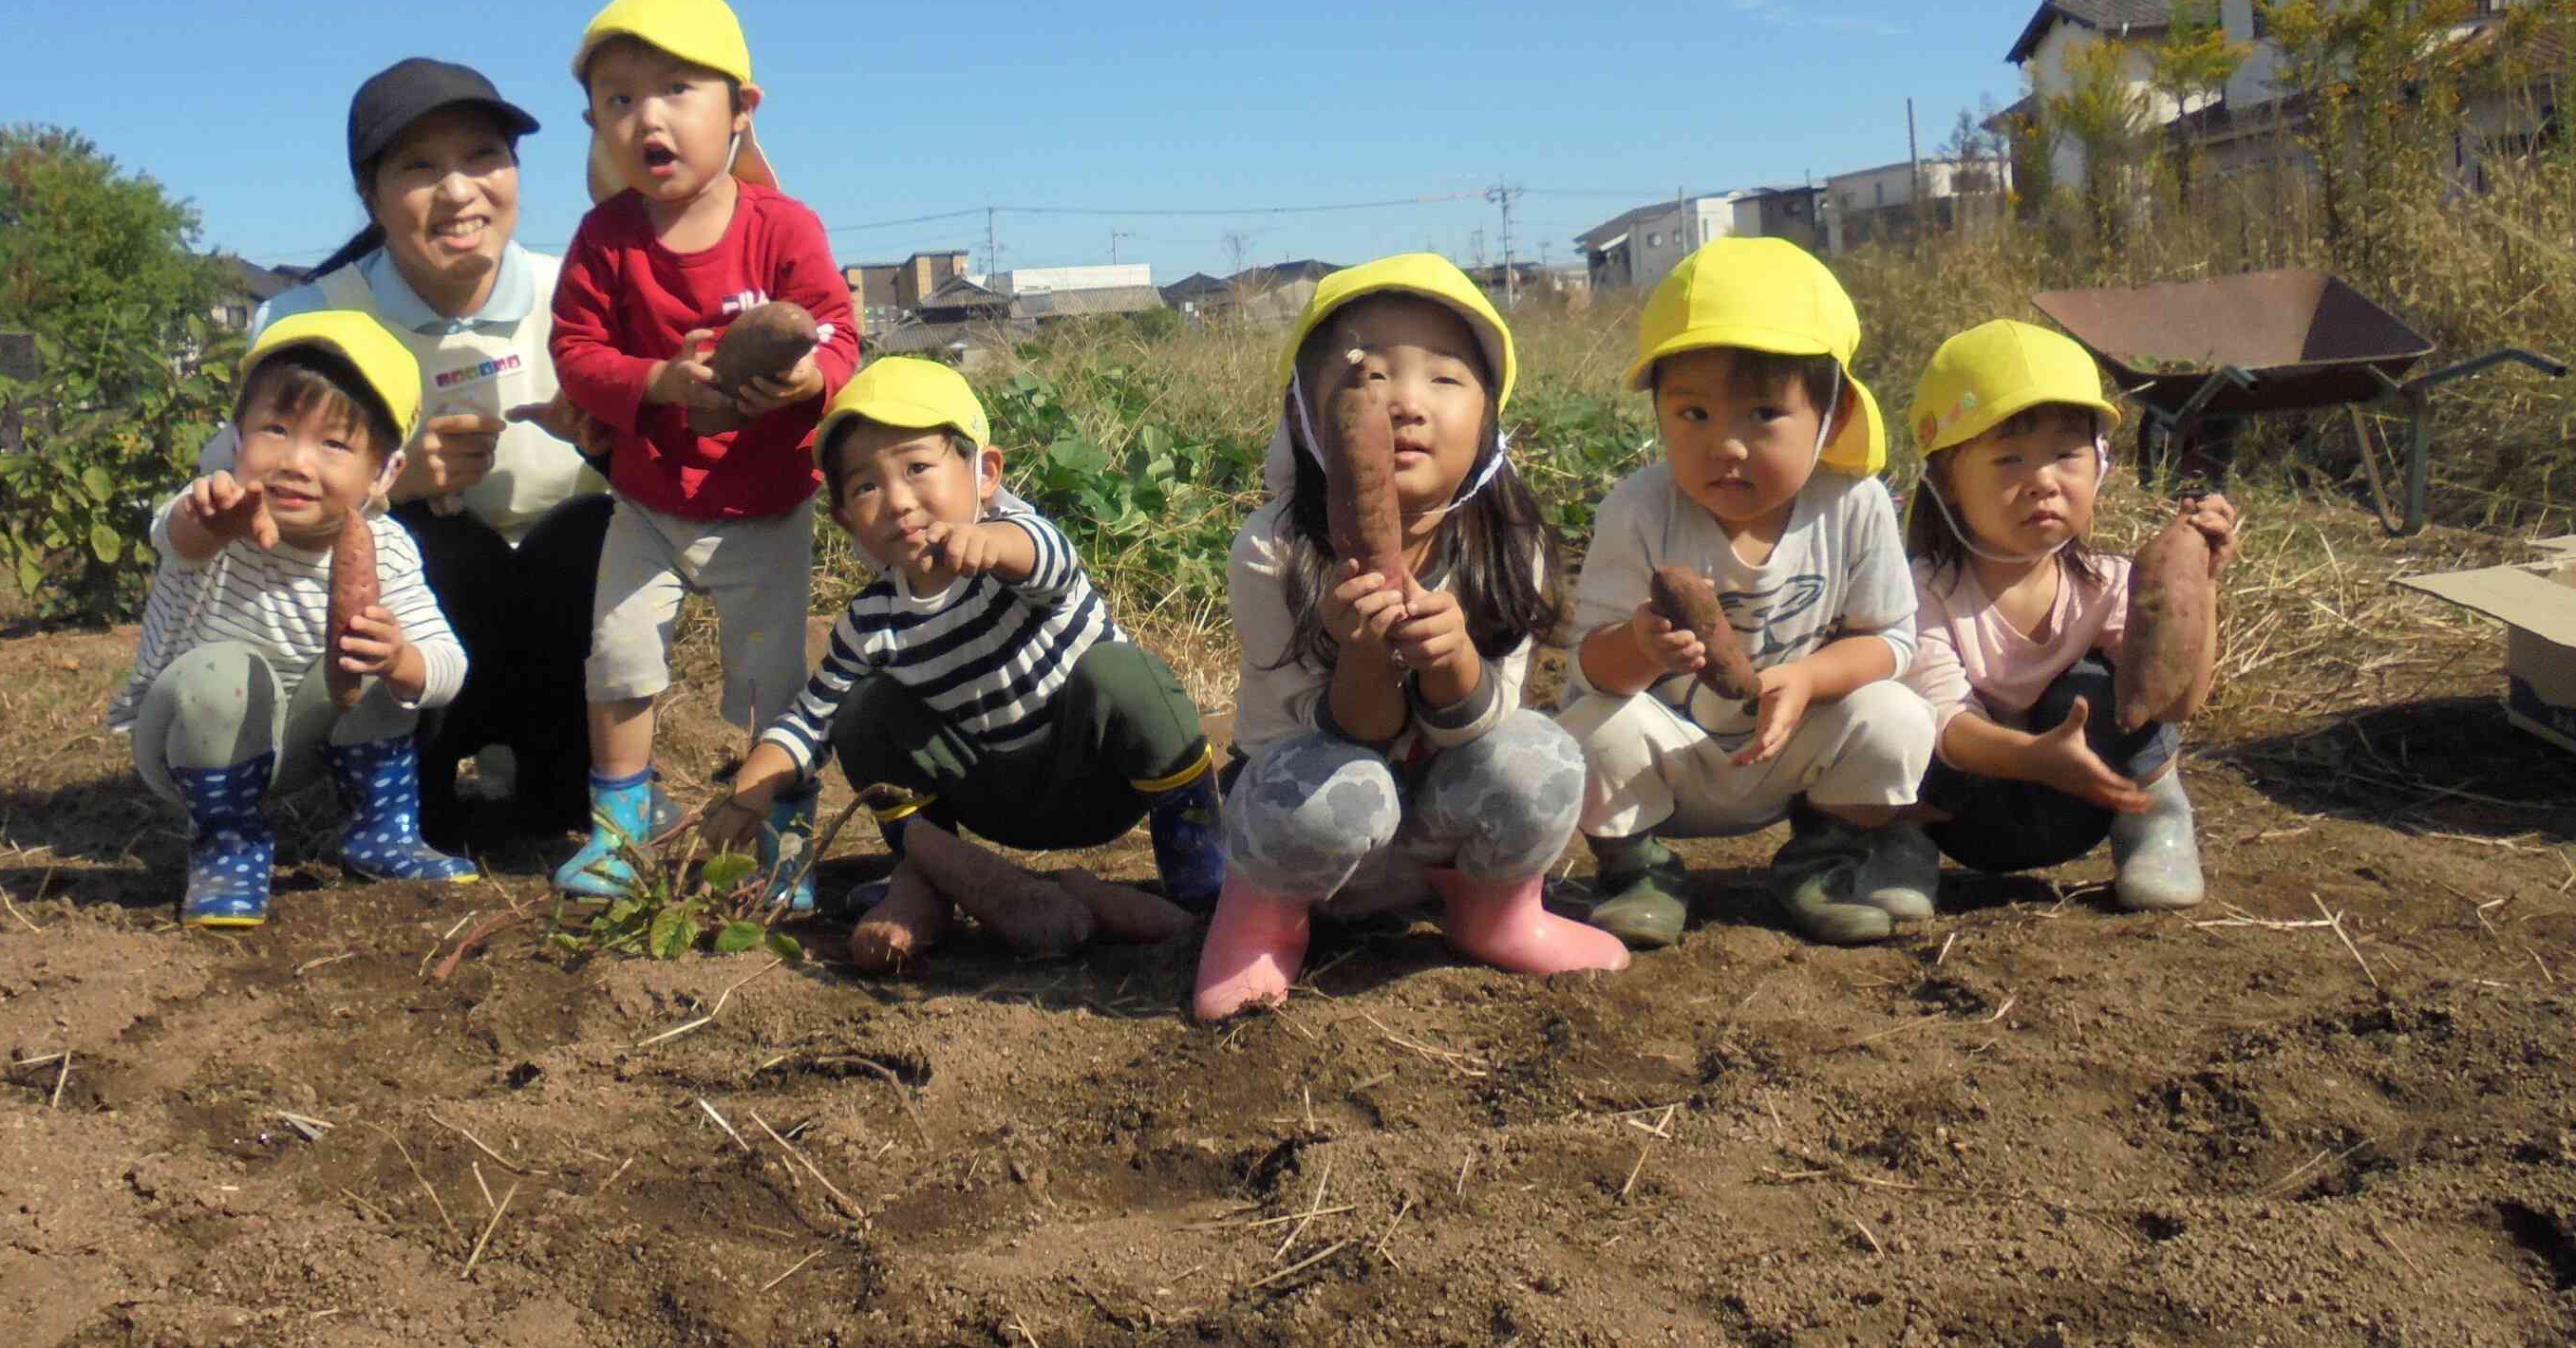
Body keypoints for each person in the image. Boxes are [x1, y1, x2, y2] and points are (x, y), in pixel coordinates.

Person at [1194, 254, 1630, 1021]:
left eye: (1444, 378)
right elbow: (1332, 744)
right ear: (1304, 413)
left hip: (1440, 843)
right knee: (1340, 789)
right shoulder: (1273, 548)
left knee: (1541, 756)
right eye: (1365, 378)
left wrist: (1453, 658)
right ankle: (1262, 924)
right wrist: (1363, 650)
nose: (1404, 403)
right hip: (1313, 844)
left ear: (1490, 416)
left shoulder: (1507, 541)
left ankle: (1495, 913)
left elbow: (1483, 730)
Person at [711, 358, 1222, 970]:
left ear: (986, 473)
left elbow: (1048, 559)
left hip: (1099, 784)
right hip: (994, 800)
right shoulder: (870, 624)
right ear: (845, 518)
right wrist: (745, 796)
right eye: (866, 487)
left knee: (1123, 675)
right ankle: (929, 876)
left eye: (918, 468)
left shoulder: (1020, 544)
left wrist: (996, 546)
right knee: (861, 710)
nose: (898, 501)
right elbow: (808, 723)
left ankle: (1201, 872)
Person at [545, 0, 859, 909]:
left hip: (765, 505)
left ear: (739, 111)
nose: (648, 117)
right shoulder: (605, 238)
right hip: (648, 502)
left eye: (677, 89)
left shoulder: (783, 226)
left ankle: (777, 836)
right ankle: (617, 832)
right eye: (619, 99)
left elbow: (841, 334)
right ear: (597, 124)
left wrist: (810, 378)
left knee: (771, 681)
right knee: (619, 655)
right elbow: (573, 351)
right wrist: (654, 380)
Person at [247, 56, 612, 846]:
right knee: (423, 541)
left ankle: (561, 778)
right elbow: (244, 500)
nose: (458, 192)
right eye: (419, 167)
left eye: (483, 157)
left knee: (590, 531)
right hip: (406, 654)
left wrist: (612, 439)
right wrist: (389, 485)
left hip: (563, 634)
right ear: (370, 196)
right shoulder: (309, 322)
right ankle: (412, 793)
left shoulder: (581, 297)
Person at [1563, 237, 1937, 948]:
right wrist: (1640, 647)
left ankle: (1823, 858)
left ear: (1830, 416)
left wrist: (1806, 677)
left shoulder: (1852, 504)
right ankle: (1636, 868)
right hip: (1669, 758)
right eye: (1693, 415)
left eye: (1763, 415)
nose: (1725, 445)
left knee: (1898, 715)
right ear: (1659, 414)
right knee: (1586, 731)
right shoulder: (1637, 509)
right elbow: (1586, 669)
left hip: (1792, 750)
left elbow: (1890, 640)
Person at [109, 312, 472, 927]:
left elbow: (449, 664)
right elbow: (177, 535)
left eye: (334, 443)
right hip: (189, 739)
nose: (297, 463)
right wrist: (209, 525)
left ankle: (380, 833)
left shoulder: (387, 547)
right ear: (234, 441)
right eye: (275, 430)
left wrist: (399, 660)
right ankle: (228, 847)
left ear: (384, 473)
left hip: (300, 744)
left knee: (380, 652)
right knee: (225, 670)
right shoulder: (212, 509)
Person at [1892, 319, 2235, 911]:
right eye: (2009, 460)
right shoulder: (1921, 592)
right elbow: (1947, 725)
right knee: (1898, 717)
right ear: (1947, 480)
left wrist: (2199, 587)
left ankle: (2156, 824)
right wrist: (2036, 758)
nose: (2043, 482)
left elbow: (2176, 703)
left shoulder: (2109, 582)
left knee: (2099, 688)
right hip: (1969, 816)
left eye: (2065, 455)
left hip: (2089, 802)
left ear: (2099, 465)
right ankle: (1899, 846)